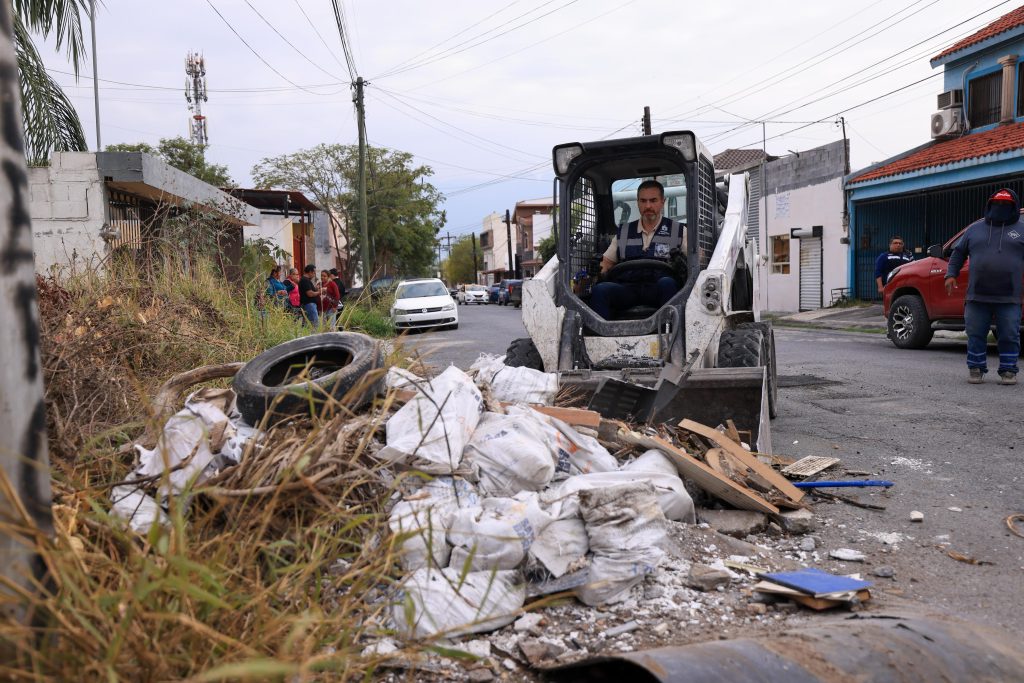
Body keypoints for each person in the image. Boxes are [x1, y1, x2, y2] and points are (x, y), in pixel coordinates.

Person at [945, 188, 1024, 385]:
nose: (1001, 207)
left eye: (1006, 204)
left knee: (1009, 335)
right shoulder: (974, 229)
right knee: (975, 333)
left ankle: (1008, 371)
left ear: (1014, 206)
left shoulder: (1022, 229)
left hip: (1009, 296)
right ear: (989, 205)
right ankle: (976, 368)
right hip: (977, 296)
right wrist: (950, 274)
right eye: (997, 203)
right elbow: (957, 253)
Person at [589, 179, 686, 320]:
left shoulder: (679, 230)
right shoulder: (624, 232)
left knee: (668, 283)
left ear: (662, 202)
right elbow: (606, 262)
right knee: (600, 290)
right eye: (643, 201)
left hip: (658, 289)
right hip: (628, 289)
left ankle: (672, 334)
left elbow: (697, 260)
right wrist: (595, 268)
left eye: (653, 200)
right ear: (638, 202)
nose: (648, 206)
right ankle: (601, 336)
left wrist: (683, 264)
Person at [298, 264, 321, 328]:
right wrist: (319, 292)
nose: (314, 275)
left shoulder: (305, 280)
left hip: (308, 305)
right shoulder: (305, 280)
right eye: (314, 273)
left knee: (307, 325)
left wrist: (316, 289)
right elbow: (310, 294)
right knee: (314, 325)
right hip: (309, 305)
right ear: (310, 272)